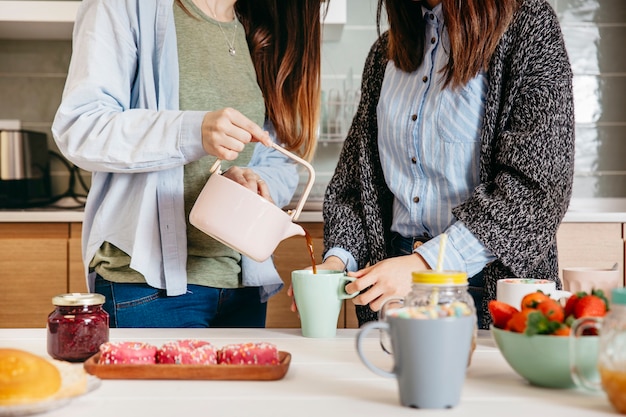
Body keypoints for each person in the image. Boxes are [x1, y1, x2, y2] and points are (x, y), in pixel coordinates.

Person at [52, 0, 322, 328]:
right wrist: (194, 131)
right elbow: (80, 128)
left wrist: (253, 180)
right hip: (148, 292)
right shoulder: (126, 6)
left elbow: (275, 155)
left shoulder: (258, 26)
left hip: (240, 288)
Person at [310, 0, 575, 329]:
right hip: (393, 287)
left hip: (486, 291)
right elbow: (356, 186)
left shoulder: (525, 25)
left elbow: (540, 187)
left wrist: (426, 264)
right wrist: (337, 261)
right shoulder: (386, 53)